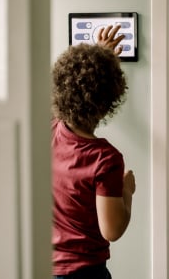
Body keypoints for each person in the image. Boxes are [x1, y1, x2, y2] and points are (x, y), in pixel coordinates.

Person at [52, 25, 136, 279]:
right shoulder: (105, 159)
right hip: (85, 272)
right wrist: (127, 192)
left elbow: (71, 86)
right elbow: (112, 230)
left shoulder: (48, 128)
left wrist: (99, 55)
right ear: (109, 101)